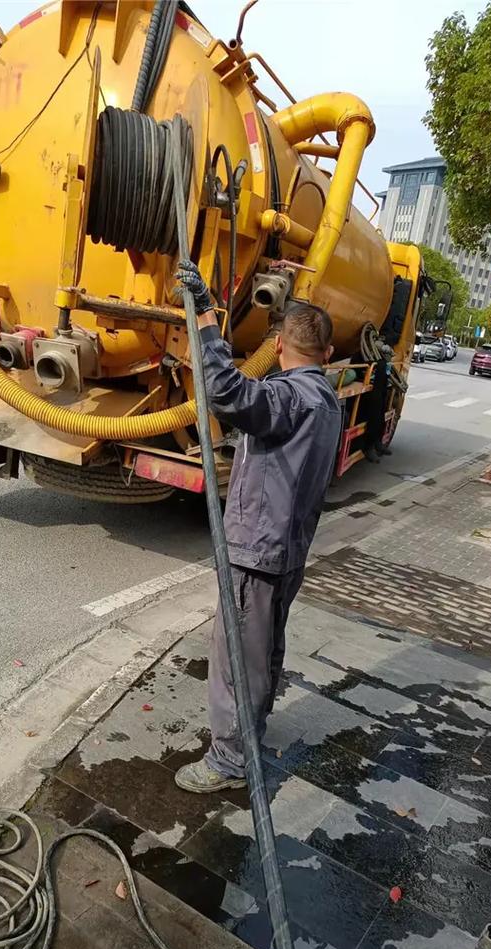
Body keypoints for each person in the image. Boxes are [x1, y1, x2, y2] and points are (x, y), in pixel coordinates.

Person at [173, 259, 342, 793]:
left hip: (256, 552)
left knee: (237, 662)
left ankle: (229, 759)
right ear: (328, 353)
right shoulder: (328, 401)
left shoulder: (290, 397)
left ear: (280, 346)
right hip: (287, 552)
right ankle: (251, 732)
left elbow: (226, 391)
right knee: (263, 650)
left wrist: (205, 317)